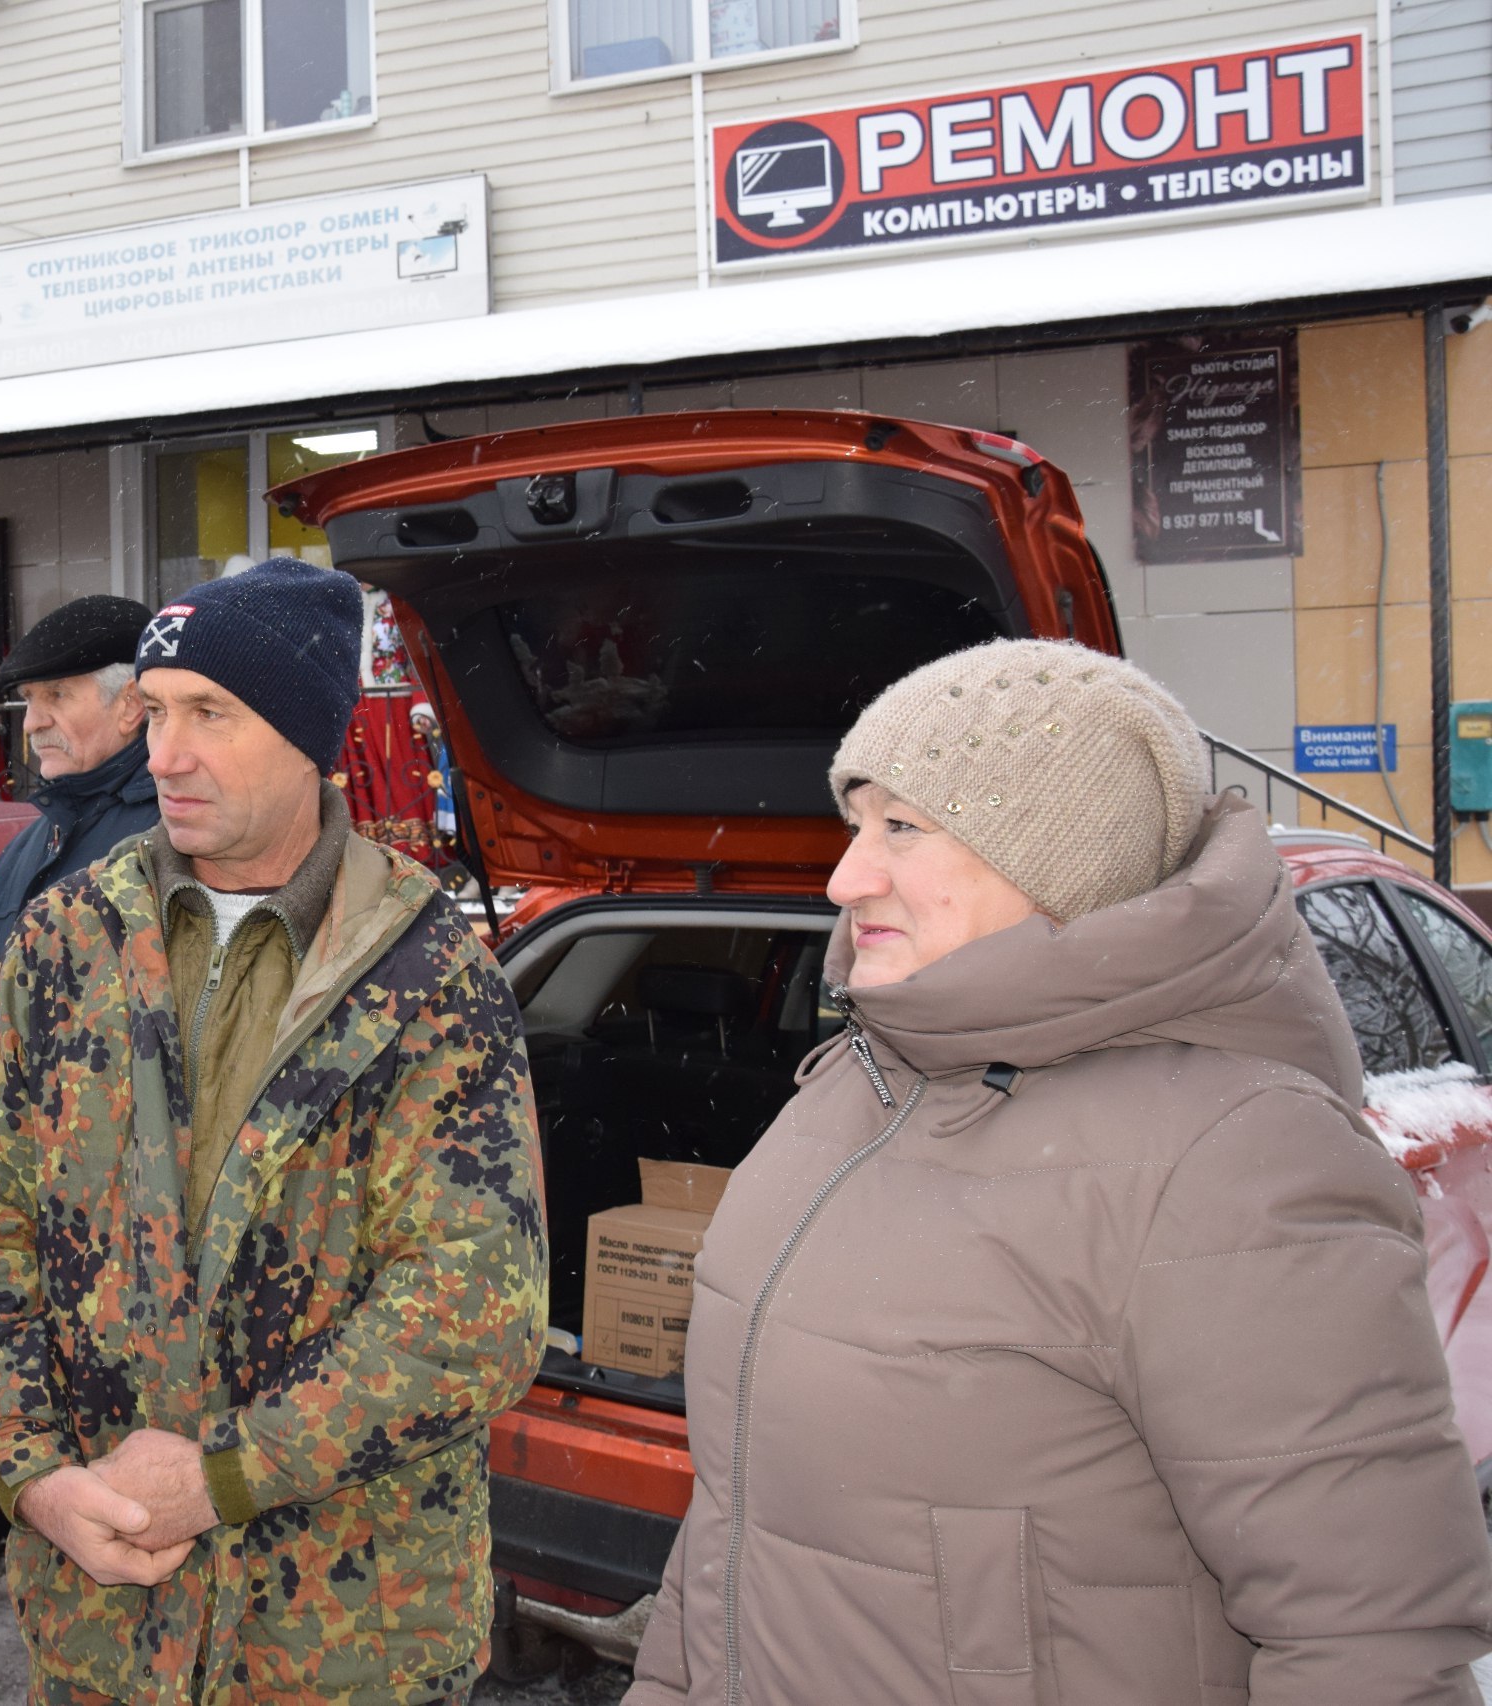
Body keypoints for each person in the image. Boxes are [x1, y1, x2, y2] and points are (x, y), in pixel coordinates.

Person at [626, 639, 1492, 1706]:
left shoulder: (1234, 1156)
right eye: (855, 825)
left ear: (1059, 864)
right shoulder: (853, 1083)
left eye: (903, 827)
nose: (845, 877)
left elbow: (1371, 1641)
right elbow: (735, 1523)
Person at [0, 559, 549, 1705]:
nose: (164, 753)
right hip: (100, 1625)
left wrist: (224, 1474)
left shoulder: (426, 973)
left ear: (308, 738)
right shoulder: (68, 940)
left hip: (343, 1645)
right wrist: (31, 1469)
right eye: (153, 711)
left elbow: (472, 1307)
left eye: (210, 713)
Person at [0, 595, 157, 979]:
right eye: (28, 699)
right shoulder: (26, 847)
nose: (31, 723)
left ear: (130, 704)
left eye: (56, 694)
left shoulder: (172, 836)